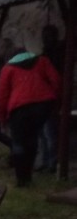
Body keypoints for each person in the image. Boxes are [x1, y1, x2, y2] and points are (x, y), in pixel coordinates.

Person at [0, 48, 61, 186]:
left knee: (19, 142)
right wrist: (53, 99)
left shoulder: (8, 69)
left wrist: (2, 118)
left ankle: (22, 178)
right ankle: (30, 175)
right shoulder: (42, 61)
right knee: (33, 139)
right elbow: (55, 80)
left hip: (20, 108)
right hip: (43, 105)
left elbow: (2, 95)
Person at [36, 25, 66, 172]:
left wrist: (53, 95)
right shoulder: (45, 56)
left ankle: (52, 162)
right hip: (43, 98)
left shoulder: (58, 54)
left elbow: (56, 80)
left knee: (49, 132)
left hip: (50, 97)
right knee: (43, 132)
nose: (45, 39)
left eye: (48, 36)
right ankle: (46, 161)